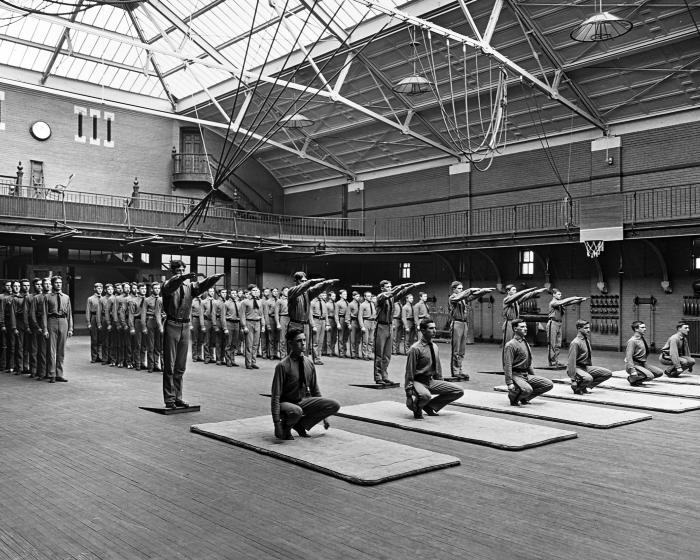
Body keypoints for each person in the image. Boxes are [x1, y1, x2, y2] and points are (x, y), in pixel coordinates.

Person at [160, 260, 223, 409]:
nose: (180, 272)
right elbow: (172, 285)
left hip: (185, 326)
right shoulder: (167, 285)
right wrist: (182, 277)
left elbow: (201, 286)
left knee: (180, 366)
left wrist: (214, 278)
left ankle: (178, 397)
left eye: (182, 269)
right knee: (170, 365)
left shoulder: (189, 287)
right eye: (177, 270)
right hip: (172, 325)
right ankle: (169, 399)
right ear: (172, 271)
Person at [271, 327, 340, 440]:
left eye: (304, 340)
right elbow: (275, 396)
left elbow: (315, 390)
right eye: (299, 341)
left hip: (302, 402)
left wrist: (325, 417)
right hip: (286, 404)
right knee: (296, 411)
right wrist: (277, 423)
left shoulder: (309, 363)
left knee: (334, 405)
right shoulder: (283, 366)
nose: (303, 343)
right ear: (290, 343)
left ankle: (300, 425)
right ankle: (286, 428)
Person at [404, 319, 464, 419]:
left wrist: (441, 384)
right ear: (423, 331)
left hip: (430, 381)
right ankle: (417, 407)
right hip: (417, 382)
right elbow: (409, 372)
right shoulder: (415, 349)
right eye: (431, 328)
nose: (434, 330)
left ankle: (430, 406)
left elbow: (438, 368)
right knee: (425, 396)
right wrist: (408, 396)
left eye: (435, 328)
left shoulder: (435, 347)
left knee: (458, 391)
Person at [374, 280, 424, 385]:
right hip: (381, 326)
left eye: (390, 286)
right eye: (387, 287)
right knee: (379, 354)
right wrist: (401, 286)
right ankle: (378, 377)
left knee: (387, 355)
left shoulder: (391, 298)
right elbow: (391, 293)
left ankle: (384, 376)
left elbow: (402, 293)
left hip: (389, 326)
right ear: (382, 288)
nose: (389, 288)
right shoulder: (381, 297)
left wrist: (413, 286)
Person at [448, 282, 494, 380]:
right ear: (454, 289)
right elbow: (462, 296)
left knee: (462, 350)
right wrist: (470, 289)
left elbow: (472, 296)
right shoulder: (453, 298)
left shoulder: (463, 299)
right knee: (456, 350)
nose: (461, 290)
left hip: (464, 323)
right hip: (456, 323)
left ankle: (460, 369)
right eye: (459, 288)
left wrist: (483, 291)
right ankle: (455, 371)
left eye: (462, 288)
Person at [287, 272, 337, 360]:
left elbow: (316, 289)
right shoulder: (292, 291)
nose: (304, 282)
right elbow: (303, 287)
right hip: (295, 324)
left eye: (305, 280)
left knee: (304, 349)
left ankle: (304, 367)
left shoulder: (307, 293)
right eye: (302, 281)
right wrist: (311, 281)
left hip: (305, 325)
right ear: (297, 281)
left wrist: (326, 283)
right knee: (294, 348)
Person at [503, 319, 553, 406]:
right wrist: (509, 383)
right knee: (527, 390)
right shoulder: (510, 345)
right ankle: (513, 397)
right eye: (522, 327)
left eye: (525, 326)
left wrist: (533, 376)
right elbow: (507, 365)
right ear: (515, 329)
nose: (525, 328)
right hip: (516, 375)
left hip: (525, 374)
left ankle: (524, 398)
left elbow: (528, 362)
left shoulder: (524, 342)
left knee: (548, 384)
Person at [567, 319, 612, 394]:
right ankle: (577, 388)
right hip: (576, 368)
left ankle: (584, 386)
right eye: (586, 328)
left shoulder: (586, 340)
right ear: (579, 329)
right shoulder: (575, 342)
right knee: (588, 378)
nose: (589, 330)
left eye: (589, 327)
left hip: (585, 367)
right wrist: (573, 380)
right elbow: (571, 362)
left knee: (607, 373)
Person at [43, 276, 73, 383]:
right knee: (51, 351)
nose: (59, 284)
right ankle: (52, 374)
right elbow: (44, 314)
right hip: (52, 321)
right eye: (56, 283)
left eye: (60, 283)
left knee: (61, 350)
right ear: (53, 284)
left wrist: (70, 328)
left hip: (63, 322)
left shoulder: (66, 297)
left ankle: (59, 374)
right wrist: (45, 329)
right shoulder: (47, 297)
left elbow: (69, 314)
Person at [547, 289, 586, 367]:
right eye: (558, 294)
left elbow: (569, 303)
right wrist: (574, 297)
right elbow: (564, 301)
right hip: (553, 323)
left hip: (559, 324)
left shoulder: (560, 303)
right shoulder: (553, 303)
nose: (560, 296)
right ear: (554, 295)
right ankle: (552, 362)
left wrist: (580, 300)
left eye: (560, 294)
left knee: (558, 344)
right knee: (552, 344)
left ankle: (556, 361)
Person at [624, 321, 663, 386]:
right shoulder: (632, 341)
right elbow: (628, 357)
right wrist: (632, 370)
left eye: (645, 327)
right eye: (642, 327)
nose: (645, 329)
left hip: (642, 364)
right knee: (650, 376)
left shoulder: (641, 338)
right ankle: (632, 379)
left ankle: (639, 377)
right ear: (636, 329)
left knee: (659, 373)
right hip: (634, 365)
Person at [239, 284, 266, 370]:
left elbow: (262, 315)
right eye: (254, 291)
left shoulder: (261, 302)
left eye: (257, 291)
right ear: (250, 292)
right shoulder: (245, 302)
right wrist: (244, 326)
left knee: (255, 344)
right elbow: (242, 315)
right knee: (249, 344)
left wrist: (263, 325)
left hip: (257, 323)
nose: (255, 292)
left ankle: (254, 362)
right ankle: (248, 363)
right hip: (249, 323)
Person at [128, 282, 148, 370]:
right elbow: (131, 315)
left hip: (147, 322)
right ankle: (137, 363)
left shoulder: (148, 300)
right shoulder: (133, 301)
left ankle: (143, 362)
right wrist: (132, 327)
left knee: (144, 344)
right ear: (138, 290)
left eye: (145, 289)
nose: (144, 290)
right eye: (142, 289)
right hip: (138, 321)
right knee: (138, 344)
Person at [145, 282, 164, 373]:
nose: (157, 290)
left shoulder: (162, 299)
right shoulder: (147, 300)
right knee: (151, 345)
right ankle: (151, 366)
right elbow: (143, 314)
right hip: (151, 321)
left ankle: (157, 365)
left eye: (158, 288)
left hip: (160, 322)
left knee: (159, 345)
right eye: (155, 288)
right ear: (152, 289)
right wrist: (144, 326)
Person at [221, 289, 240, 367]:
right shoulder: (226, 303)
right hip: (229, 323)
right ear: (230, 294)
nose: (234, 294)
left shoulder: (239, 303)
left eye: (235, 293)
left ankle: (233, 360)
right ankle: (228, 360)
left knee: (234, 343)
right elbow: (223, 317)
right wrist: (225, 328)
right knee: (228, 343)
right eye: (232, 293)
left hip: (237, 324)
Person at [86, 282, 103, 363]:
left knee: (101, 339)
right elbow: (88, 311)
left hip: (102, 318)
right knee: (94, 339)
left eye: (101, 288)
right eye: (98, 288)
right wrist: (88, 322)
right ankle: (94, 357)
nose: (100, 289)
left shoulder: (103, 299)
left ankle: (100, 356)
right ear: (94, 289)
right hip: (94, 318)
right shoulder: (90, 299)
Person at [358, 291, 376, 361]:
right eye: (368, 296)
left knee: (371, 340)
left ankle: (369, 354)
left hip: (372, 322)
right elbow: (360, 316)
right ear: (365, 297)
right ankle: (365, 355)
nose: (370, 297)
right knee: (365, 340)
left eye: (370, 296)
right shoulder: (362, 305)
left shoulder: (373, 304)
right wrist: (362, 326)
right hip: (366, 321)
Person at [275, 287, 289, 360]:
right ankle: (283, 356)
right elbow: (276, 313)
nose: (287, 291)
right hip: (283, 318)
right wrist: (278, 323)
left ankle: (289, 355)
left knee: (290, 338)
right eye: (285, 290)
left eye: (288, 290)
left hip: (290, 319)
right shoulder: (279, 301)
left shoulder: (291, 299)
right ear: (282, 292)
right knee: (282, 338)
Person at [335, 289, 349, 358]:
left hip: (347, 320)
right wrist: (338, 323)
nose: (345, 295)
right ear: (340, 295)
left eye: (346, 294)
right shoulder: (338, 303)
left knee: (345, 337)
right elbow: (336, 314)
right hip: (341, 319)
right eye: (344, 294)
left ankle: (344, 351)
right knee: (341, 337)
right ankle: (341, 352)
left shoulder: (347, 303)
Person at [347, 290, 361, 359]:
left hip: (359, 322)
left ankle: (357, 353)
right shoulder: (351, 304)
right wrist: (348, 323)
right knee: (352, 339)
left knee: (358, 340)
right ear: (353, 297)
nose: (358, 297)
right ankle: (353, 354)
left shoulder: (360, 304)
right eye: (357, 296)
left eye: (359, 296)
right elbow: (348, 314)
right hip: (353, 321)